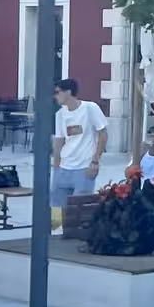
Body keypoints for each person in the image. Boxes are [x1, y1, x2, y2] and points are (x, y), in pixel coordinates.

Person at [49, 78, 108, 213]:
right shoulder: (60, 114)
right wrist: (56, 168)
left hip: (84, 168)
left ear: (68, 92)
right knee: (56, 208)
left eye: (57, 92)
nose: (55, 96)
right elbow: (59, 142)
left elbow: (103, 134)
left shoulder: (90, 108)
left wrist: (95, 161)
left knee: (79, 208)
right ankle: (57, 232)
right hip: (64, 167)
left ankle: (75, 234)